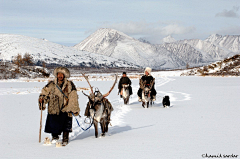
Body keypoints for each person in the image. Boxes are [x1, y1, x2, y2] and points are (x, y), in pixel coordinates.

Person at [38, 67, 80, 146]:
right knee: (53, 123)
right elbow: (45, 92)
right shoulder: (51, 84)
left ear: (64, 75)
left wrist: (73, 107)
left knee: (66, 124)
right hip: (54, 107)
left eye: (62, 74)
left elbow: (73, 95)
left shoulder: (70, 84)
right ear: (56, 75)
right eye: (59, 74)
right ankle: (55, 138)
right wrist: (42, 99)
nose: (60, 76)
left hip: (66, 107)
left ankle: (65, 139)